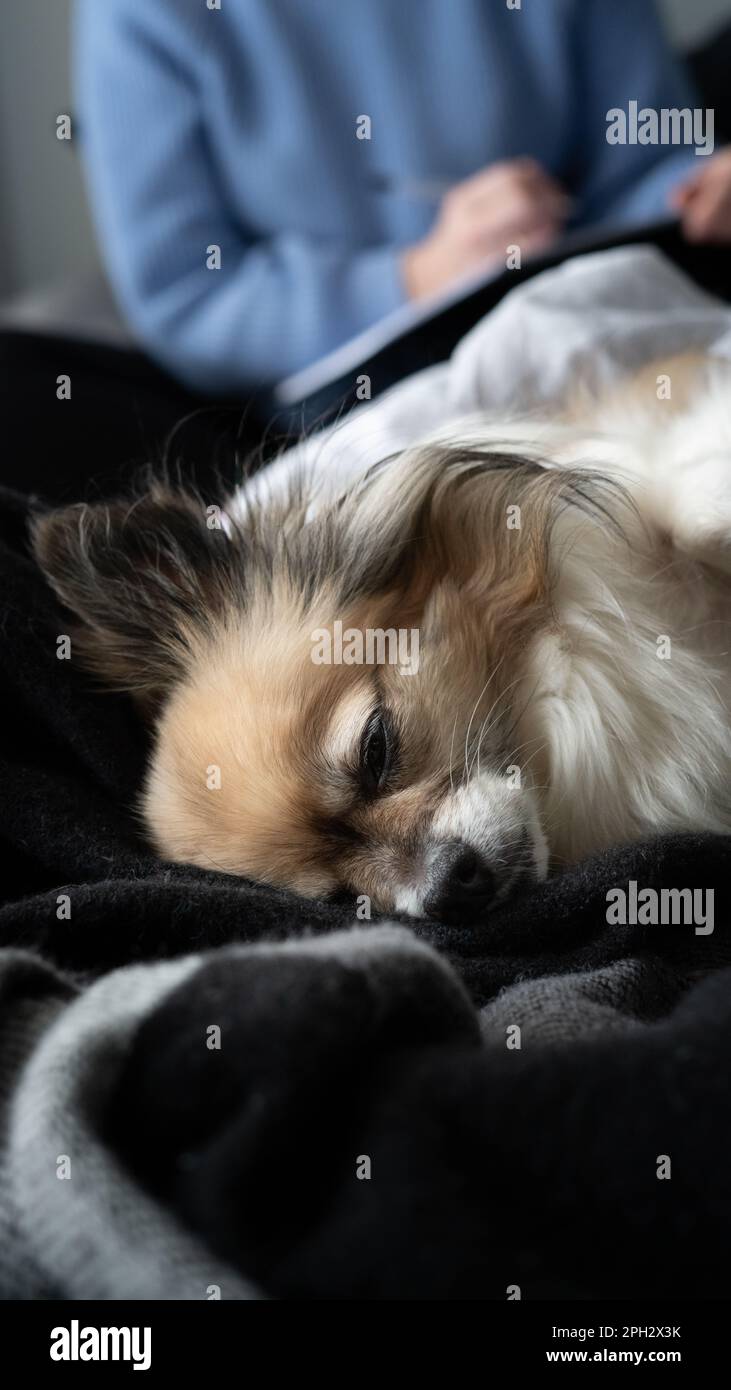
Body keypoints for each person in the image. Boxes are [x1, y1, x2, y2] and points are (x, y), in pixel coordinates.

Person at [75, 0, 731, 393]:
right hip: (357, 406)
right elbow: (185, 295)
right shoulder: (142, 16)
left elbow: (644, 168)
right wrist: (415, 278)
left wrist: (697, 193)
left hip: (599, 325)